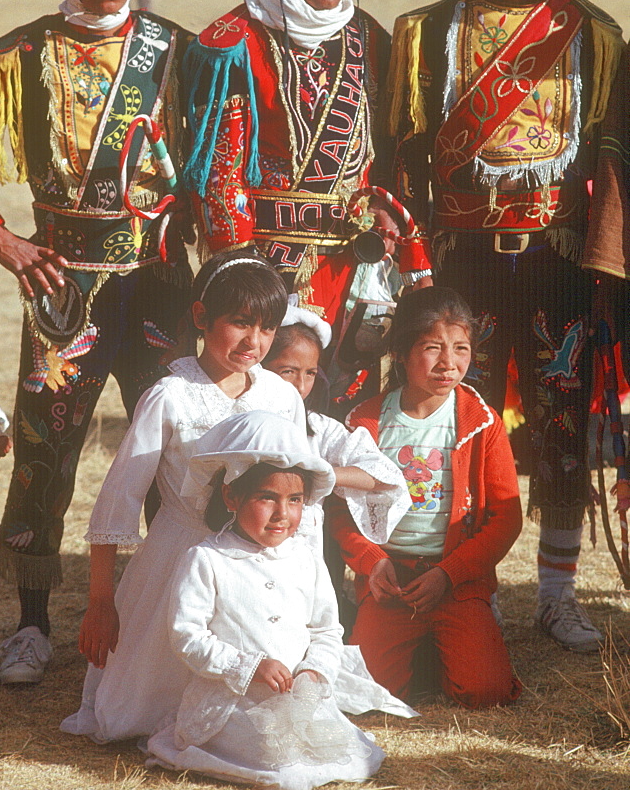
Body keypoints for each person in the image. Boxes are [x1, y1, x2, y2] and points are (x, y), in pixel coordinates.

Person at [383, 0, 627, 652]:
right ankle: (459, 586)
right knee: (457, 429)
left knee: (562, 427)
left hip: (557, 263)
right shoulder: (423, 35)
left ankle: (556, 593)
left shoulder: (595, 38)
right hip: (463, 267)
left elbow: (612, 159)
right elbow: (400, 160)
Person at [0, 0, 191, 684]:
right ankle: (31, 624)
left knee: (175, 447)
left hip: (164, 281)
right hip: (63, 282)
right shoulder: (15, 55)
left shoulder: (176, 51)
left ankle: (175, 605)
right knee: (49, 445)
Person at [183, 0, 428, 337]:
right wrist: (241, 279)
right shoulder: (232, 43)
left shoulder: (373, 39)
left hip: (357, 269)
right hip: (263, 272)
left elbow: (389, 152)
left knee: (344, 415)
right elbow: (221, 177)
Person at [61, 252, 303, 742]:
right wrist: (101, 601)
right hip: (177, 559)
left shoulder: (282, 398)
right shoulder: (169, 395)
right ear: (200, 317)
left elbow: (297, 492)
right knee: (143, 717)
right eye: (239, 323)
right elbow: (118, 500)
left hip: (256, 570)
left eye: (266, 328)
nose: (252, 341)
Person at [144, 411, 387, 787]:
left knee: (340, 753)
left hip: (298, 697)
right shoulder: (207, 559)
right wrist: (248, 666)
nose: (282, 514)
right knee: (276, 761)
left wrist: (313, 671)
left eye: (295, 500)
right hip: (233, 700)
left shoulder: (305, 558)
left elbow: (326, 629)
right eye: (267, 498)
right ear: (231, 495)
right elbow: (187, 636)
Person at [329, 286, 523, 708]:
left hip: (456, 581)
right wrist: (372, 561)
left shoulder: (482, 423)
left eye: (461, 349)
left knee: (486, 692)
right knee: (366, 697)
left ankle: (448, 645)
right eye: (432, 348)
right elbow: (340, 511)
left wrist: (449, 573)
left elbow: (507, 520)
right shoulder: (364, 421)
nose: (448, 363)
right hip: (391, 582)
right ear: (399, 351)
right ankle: (428, 652)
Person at [263, 302, 410, 553]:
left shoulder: (319, 429)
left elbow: (386, 477)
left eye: (310, 373)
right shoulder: (240, 422)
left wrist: (317, 473)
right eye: (288, 371)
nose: (300, 385)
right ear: (262, 366)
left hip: (300, 556)